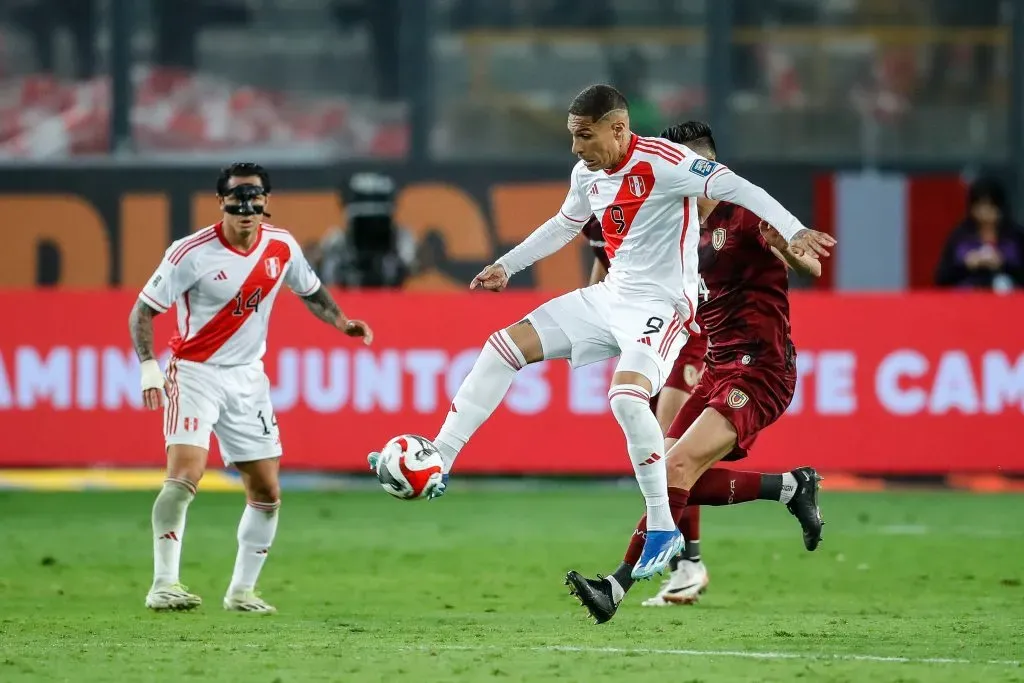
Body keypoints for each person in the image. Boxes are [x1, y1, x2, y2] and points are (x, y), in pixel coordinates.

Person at [369, 86, 833, 577]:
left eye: (583, 136)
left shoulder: (665, 161)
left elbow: (738, 186)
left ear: (617, 128)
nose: (575, 148)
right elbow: (564, 225)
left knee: (626, 400)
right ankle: (441, 454)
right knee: (503, 346)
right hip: (611, 297)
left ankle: (661, 528)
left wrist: (795, 227)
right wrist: (507, 265)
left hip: (662, 306)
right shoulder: (586, 174)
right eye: (572, 136)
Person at [565, 121, 828, 623]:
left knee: (675, 470)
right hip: (716, 366)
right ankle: (792, 487)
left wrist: (788, 243)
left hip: (761, 369)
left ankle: (616, 586)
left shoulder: (745, 216)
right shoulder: (679, 224)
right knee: (662, 470)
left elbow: (811, 268)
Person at [130, 162, 373, 613]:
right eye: (236, 201)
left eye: (254, 200)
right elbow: (143, 311)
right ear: (220, 202)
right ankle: (164, 583)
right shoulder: (190, 253)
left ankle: (241, 591)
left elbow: (312, 290)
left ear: (265, 202)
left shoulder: (280, 246)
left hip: (248, 380)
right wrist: (148, 367)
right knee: (184, 476)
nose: (246, 209)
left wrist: (342, 321)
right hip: (195, 372)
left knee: (266, 491)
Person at [583, 213, 709, 605]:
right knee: (660, 456)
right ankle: (787, 487)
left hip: (684, 335)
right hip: (643, 343)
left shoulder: (655, 204)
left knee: (667, 453)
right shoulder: (595, 219)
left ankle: (690, 563)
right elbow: (600, 279)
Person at [318, 172, 417, 288]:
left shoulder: (401, 239)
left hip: (389, 297)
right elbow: (328, 278)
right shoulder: (336, 240)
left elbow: (409, 268)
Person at [934, 177, 1024, 292]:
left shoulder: (1016, 236)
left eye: (990, 206)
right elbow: (941, 278)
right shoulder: (959, 236)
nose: (985, 212)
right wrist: (967, 265)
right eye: (980, 206)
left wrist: (1003, 264)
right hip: (967, 300)